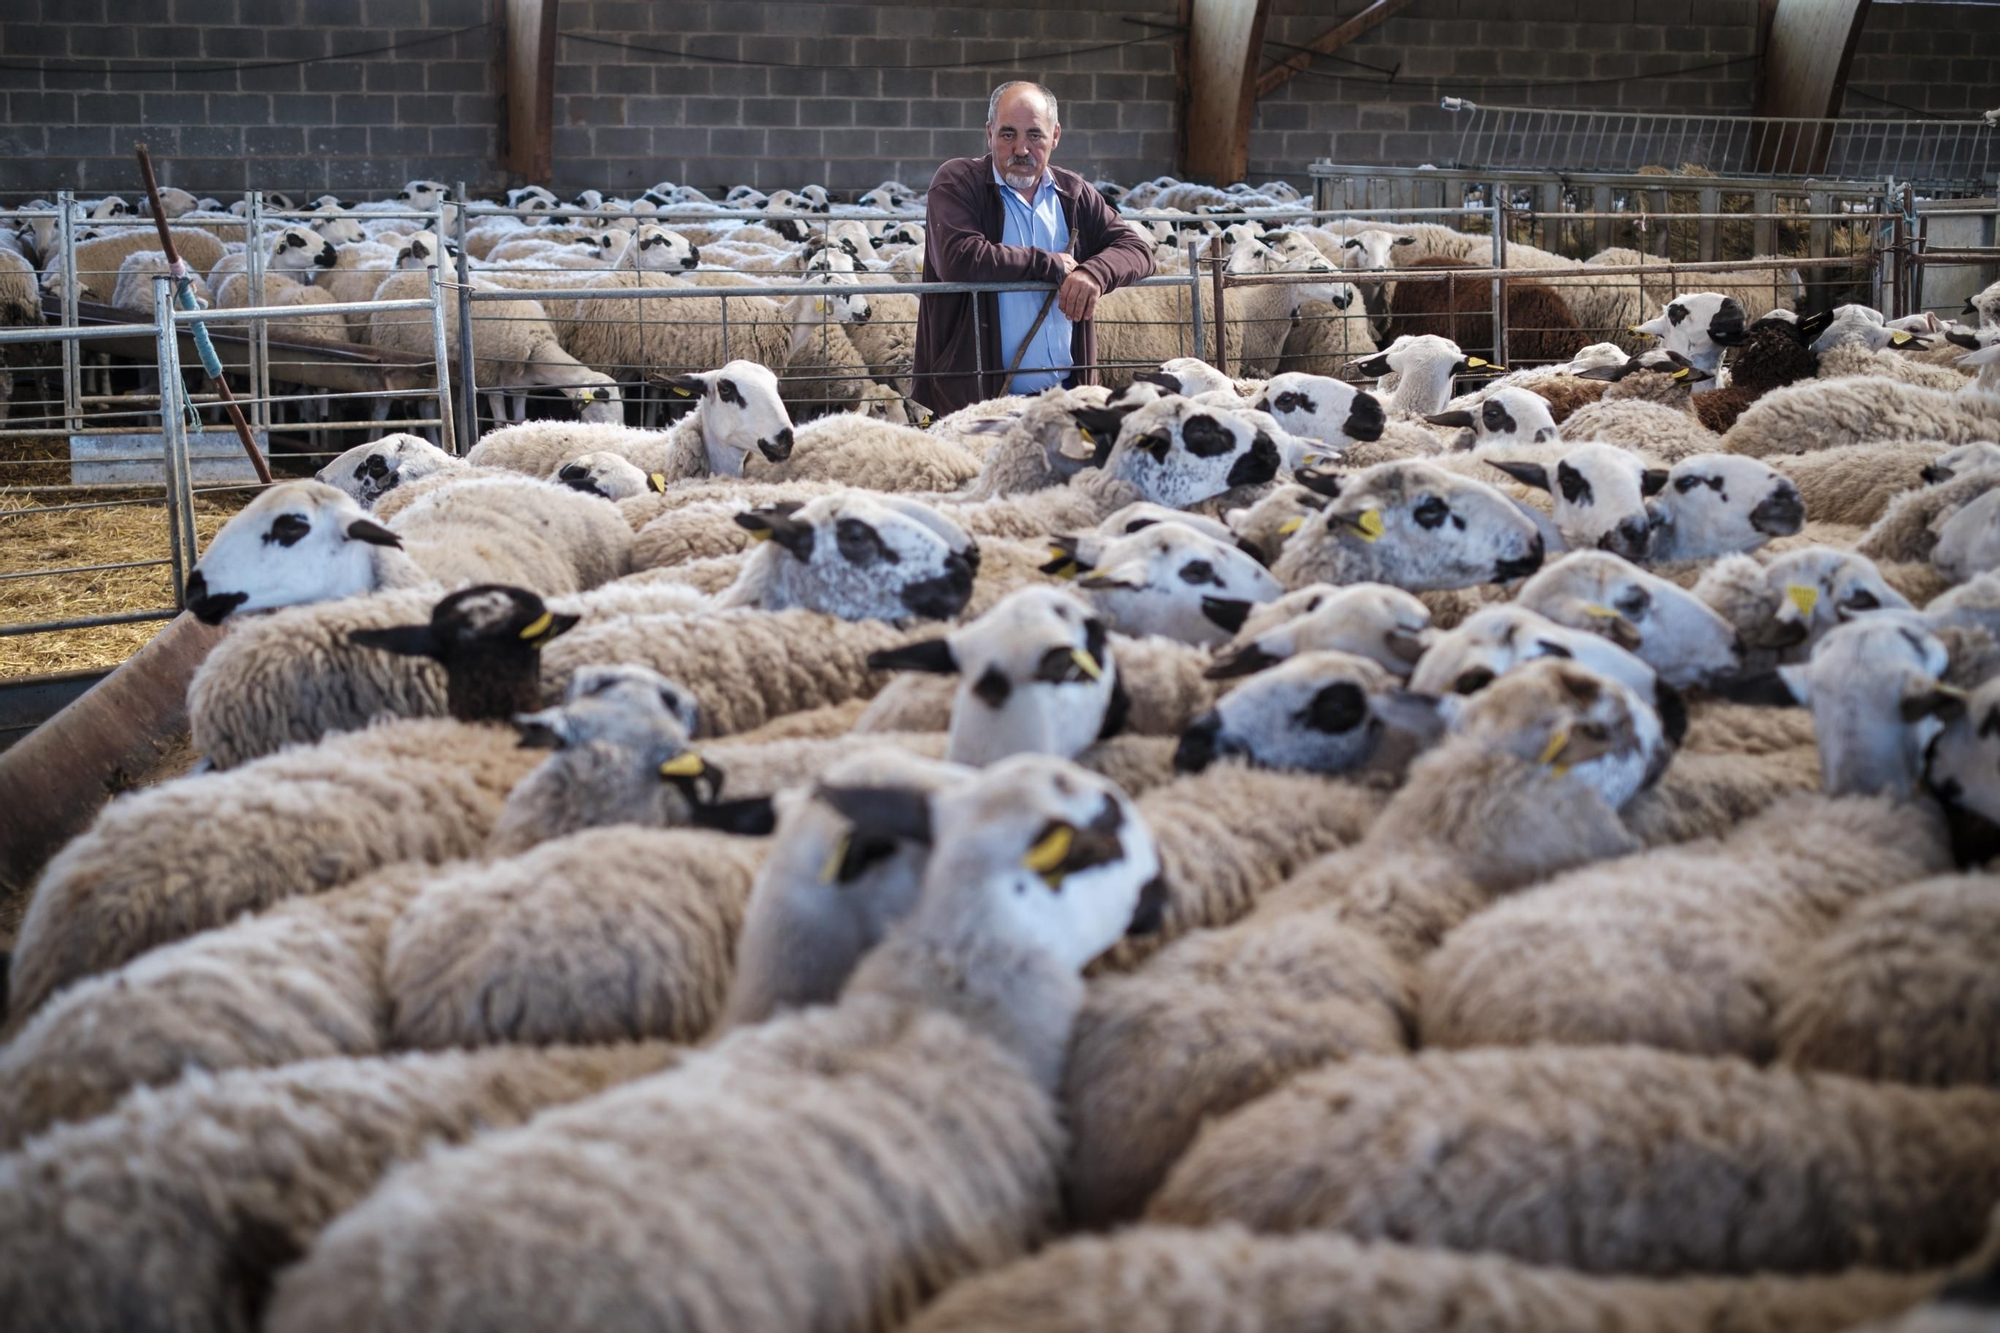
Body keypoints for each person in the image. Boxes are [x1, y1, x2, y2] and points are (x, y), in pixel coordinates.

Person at [911, 80, 1155, 419]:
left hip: (1066, 397)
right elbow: (959, 258)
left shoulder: (1073, 193)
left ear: (1055, 135)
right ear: (989, 133)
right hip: (979, 400)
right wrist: (1049, 265)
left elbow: (1136, 249)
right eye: (1008, 134)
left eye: (1035, 135)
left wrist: (1093, 273)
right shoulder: (958, 182)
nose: (1021, 149)